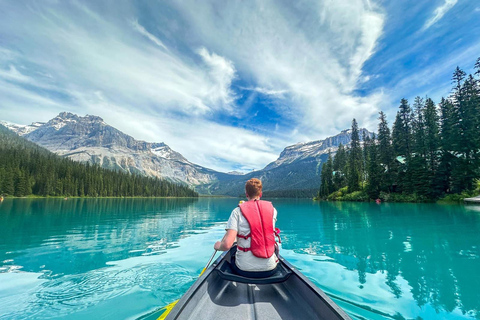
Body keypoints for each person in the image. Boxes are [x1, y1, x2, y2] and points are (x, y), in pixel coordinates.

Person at [214, 178, 279, 278]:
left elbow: (227, 245)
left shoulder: (237, 211)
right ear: (260, 194)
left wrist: (218, 246)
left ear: (246, 194)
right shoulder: (273, 210)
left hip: (244, 270)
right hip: (271, 269)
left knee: (233, 246)